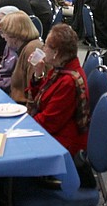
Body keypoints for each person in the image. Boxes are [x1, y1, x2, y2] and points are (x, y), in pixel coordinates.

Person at [26, 24, 90, 156]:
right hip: (55, 131)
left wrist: (22, 124)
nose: (43, 49)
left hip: (62, 142)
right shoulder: (61, 68)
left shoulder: (68, 81)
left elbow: (48, 123)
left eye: (46, 46)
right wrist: (38, 74)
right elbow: (45, 97)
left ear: (56, 53)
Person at [0, 11, 43, 103]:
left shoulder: (32, 50)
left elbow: (34, 92)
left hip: (22, 107)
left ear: (14, 34)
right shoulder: (25, 48)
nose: (3, 37)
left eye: (5, 33)